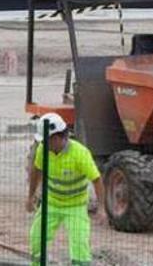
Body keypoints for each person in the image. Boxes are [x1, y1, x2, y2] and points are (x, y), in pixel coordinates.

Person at [26, 113, 106, 266]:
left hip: (75, 207)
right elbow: (36, 170)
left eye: (45, 140)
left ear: (56, 138)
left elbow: (97, 180)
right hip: (51, 204)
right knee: (37, 239)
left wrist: (102, 208)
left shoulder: (80, 154)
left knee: (80, 245)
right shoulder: (43, 150)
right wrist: (30, 196)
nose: (42, 144)